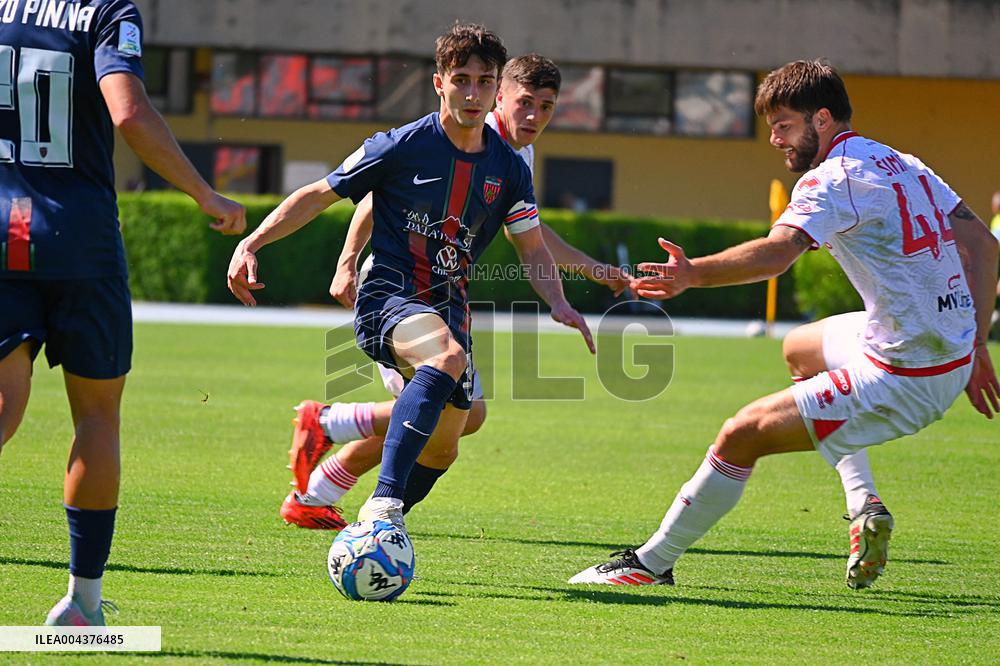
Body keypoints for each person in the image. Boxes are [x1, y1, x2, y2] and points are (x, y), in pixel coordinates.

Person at [569, 59, 999, 590]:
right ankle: (863, 503)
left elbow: (777, 254)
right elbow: (983, 245)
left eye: (783, 125)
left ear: (822, 119)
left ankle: (651, 564)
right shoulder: (900, 161)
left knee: (740, 434)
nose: (775, 139)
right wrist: (976, 344)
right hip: (946, 351)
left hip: (906, 377)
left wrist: (693, 273)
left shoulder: (830, 179)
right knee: (800, 348)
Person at [227, 24, 593, 540]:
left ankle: (359, 521)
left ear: (494, 88)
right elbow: (321, 193)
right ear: (439, 83)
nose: (472, 93)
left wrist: (559, 300)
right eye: (461, 80)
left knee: (447, 441)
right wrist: (253, 243)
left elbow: (531, 245)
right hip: (390, 295)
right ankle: (381, 504)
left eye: (483, 81)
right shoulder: (401, 145)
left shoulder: (510, 168)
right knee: (445, 359)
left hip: (450, 305)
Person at [0, 0, 246, 626]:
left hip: (2, 232)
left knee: (3, 406)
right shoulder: (106, 12)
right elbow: (129, 112)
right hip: (77, 238)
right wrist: (205, 194)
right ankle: (82, 605)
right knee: (97, 416)